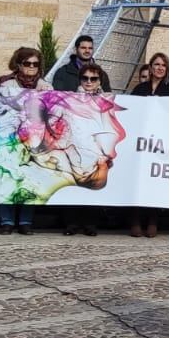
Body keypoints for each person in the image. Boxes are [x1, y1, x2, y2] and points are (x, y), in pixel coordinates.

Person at [0, 46, 53, 234]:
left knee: (30, 179)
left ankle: (26, 221)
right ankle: (7, 221)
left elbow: (51, 113)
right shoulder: (6, 86)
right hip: (11, 139)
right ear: (19, 64)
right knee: (9, 177)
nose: (31, 67)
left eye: (35, 64)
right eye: (27, 63)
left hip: (34, 140)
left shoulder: (46, 87)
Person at [129, 52, 169, 237]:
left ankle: (152, 220)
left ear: (166, 69)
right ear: (150, 67)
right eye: (156, 64)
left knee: (155, 181)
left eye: (163, 65)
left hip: (161, 143)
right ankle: (135, 220)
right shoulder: (139, 89)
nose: (159, 68)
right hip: (141, 142)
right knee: (138, 180)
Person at [62, 63, 111, 236]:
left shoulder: (106, 100)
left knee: (93, 185)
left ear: (99, 81)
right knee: (74, 184)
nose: (89, 82)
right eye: (85, 78)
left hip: (96, 147)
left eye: (93, 78)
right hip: (75, 145)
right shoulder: (71, 98)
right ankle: (72, 224)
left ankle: (90, 224)